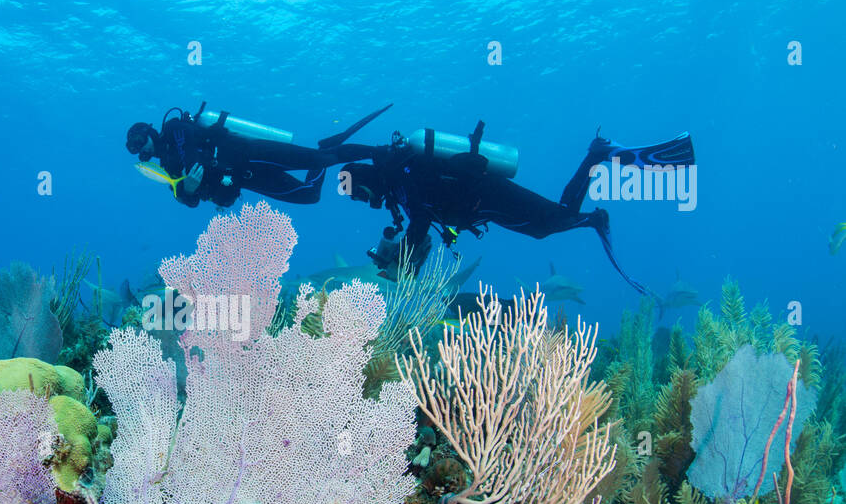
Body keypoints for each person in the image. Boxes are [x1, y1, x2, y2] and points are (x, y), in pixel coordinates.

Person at [341, 123, 695, 298]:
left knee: (552, 220)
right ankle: (592, 218)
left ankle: (596, 156)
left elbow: (420, 221)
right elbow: (426, 220)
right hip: (483, 207)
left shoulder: (404, 177)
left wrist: (399, 261)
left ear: (365, 182)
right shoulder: (400, 182)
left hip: (488, 196)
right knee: (546, 226)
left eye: (359, 196)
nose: (364, 201)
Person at [126, 103, 390, 207]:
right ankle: (324, 147)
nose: (141, 148)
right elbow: (187, 200)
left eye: (140, 140)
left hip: (248, 155)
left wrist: (190, 183)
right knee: (310, 196)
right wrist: (188, 190)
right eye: (135, 147)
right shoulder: (168, 166)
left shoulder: (173, 129)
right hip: (247, 180)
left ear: (151, 131)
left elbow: (194, 153)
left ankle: (379, 152)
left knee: (322, 160)